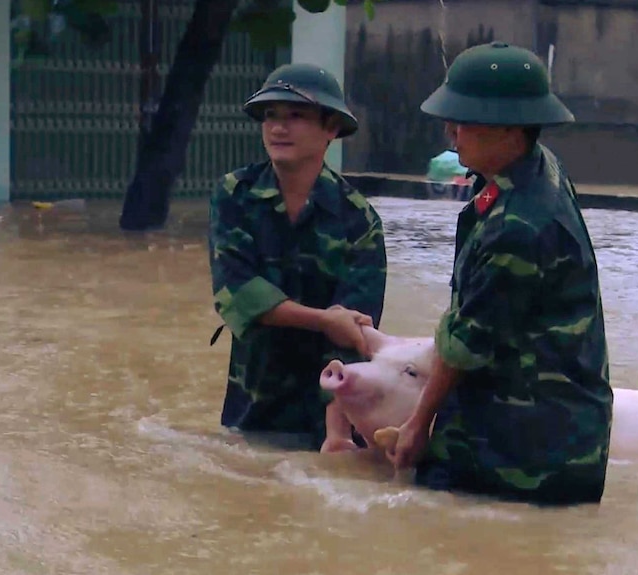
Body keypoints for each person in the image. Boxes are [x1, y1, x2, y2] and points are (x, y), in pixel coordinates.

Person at [386, 42, 613, 505]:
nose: (450, 131)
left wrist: (416, 424)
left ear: (511, 127)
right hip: (553, 435)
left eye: (464, 119)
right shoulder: (536, 167)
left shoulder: (520, 228)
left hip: (519, 456)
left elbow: (465, 345)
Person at [208, 63, 388, 452]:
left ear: (331, 128)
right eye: (270, 116)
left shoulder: (357, 217)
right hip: (251, 406)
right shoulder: (235, 194)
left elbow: (355, 330)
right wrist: (323, 320)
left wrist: (337, 434)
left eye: (296, 116)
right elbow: (237, 293)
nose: (278, 127)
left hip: (326, 413)